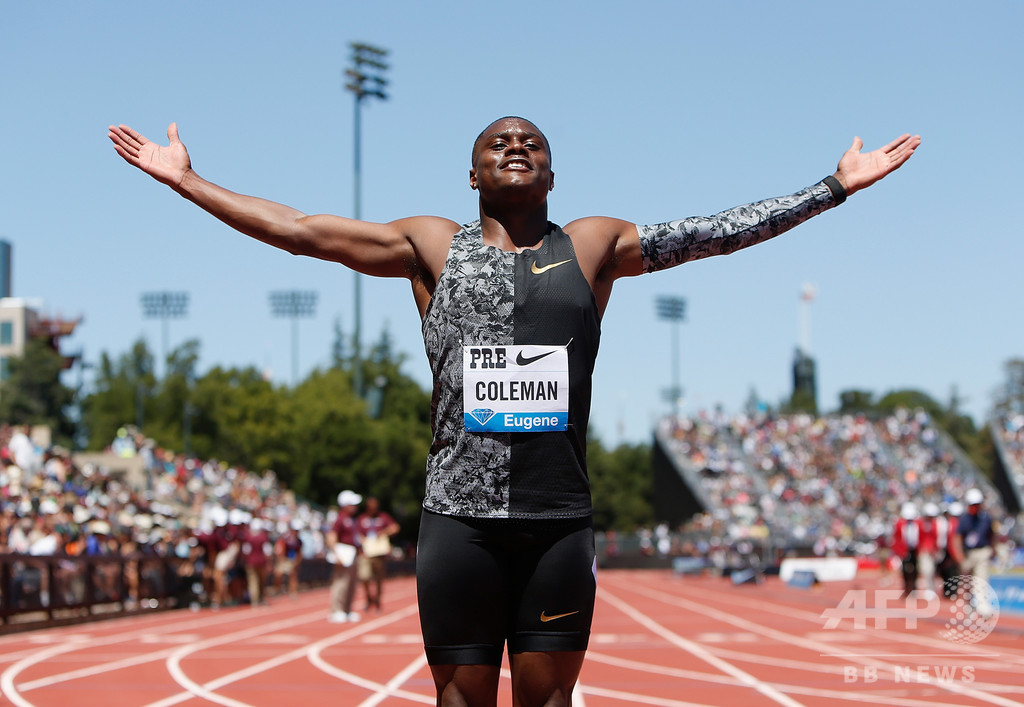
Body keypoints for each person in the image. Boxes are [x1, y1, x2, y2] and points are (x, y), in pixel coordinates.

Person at [109, 117, 918, 706]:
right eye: (497, 142)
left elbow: (713, 235)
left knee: (548, 704)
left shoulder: (594, 244)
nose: (516, 146)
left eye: (532, 141)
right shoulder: (431, 245)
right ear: (472, 176)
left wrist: (832, 189)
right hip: (457, 521)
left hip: (556, 519)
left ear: (553, 176)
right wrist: (187, 181)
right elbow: (300, 232)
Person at [954, 488, 996, 616]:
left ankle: (983, 606)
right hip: (968, 554)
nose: (975, 507)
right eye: (972, 505)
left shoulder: (986, 518)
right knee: (967, 582)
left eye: (977, 504)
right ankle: (969, 605)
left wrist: (993, 549)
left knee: (981, 579)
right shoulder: (964, 519)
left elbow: (992, 535)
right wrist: (960, 556)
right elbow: (957, 538)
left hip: (982, 552)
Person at [356, 497, 400, 613]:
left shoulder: (383, 517)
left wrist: (384, 533)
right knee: (364, 576)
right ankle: (368, 598)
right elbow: (356, 533)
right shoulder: (362, 518)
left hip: (379, 554)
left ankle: (377, 601)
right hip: (365, 553)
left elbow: (395, 528)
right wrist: (362, 540)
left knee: (378, 580)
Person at [327, 490, 363, 623]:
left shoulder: (354, 519)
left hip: (354, 554)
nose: (355, 506)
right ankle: (337, 610)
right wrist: (336, 555)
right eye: (352, 504)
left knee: (352, 584)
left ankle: (347, 610)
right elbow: (331, 537)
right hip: (344, 555)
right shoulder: (340, 518)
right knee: (341, 584)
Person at [892, 501, 920, 597]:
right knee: (904, 569)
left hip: (915, 550)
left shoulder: (917, 524)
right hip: (904, 550)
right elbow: (897, 538)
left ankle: (914, 588)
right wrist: (899, 551)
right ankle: (906, 588)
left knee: (915, 569)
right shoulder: (899, 524)